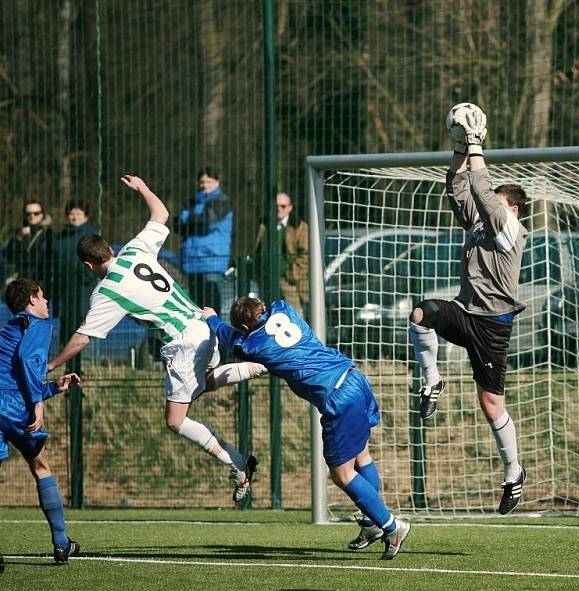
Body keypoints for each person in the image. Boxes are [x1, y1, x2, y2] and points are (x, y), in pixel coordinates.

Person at [48, 175, 265, 503]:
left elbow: (81, 339)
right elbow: (161, 214)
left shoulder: (107, 291)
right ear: (110, 247)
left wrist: (52, 363)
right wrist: (144, 189)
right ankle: (256, 365)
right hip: (202, 325)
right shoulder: (135, 249)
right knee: (203, 382)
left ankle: (238, 463)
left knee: (175, 421)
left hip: (182, 342)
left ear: (89, 264)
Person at [203, 297, 411, 560]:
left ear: (244, 327)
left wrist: (211, 317)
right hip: (354, 378)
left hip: (336, 398)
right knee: (362, 456)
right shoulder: (283, 308)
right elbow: (255, 322)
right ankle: (372, 525)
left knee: (342, 475)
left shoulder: (251, 344)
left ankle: (392, 526)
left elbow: (228, 336)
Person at [409, 103, 529, 515]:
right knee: (421, 314)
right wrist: (460, 147)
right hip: (465, 312)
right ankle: (432, 380)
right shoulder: (482, 223)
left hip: (493, 325)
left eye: (497, 201)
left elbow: (481, 189)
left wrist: (477, 143)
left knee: (491, 404)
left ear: (510, 207)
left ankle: (514, 472)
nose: (489, 204)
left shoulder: (511, 228)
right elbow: (459, 189)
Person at [0, 278, 81, 563]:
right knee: (40, 466)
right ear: (32, 299)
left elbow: (13, 375)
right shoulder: (38, 325)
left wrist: (53, 388)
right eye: (43, 296)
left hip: (5, 401)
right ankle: (61, 542)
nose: (47, 302)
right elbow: (26, 360)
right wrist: (38, 403)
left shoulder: (9, 329)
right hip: (15, 408)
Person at [174, 168, 233, 312]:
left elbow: (206, 222)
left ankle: (214, 335)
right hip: (192, 261)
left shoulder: (221, 201)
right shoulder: (192, 202)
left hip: (211, 261)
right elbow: (177, 225)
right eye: (202, 181)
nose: (205, 185)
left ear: (217, 182)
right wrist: (192, 220)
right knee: (195, 309)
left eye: (209, 181)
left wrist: (188, 219)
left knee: (211, 307)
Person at [51, 203, 99, 346]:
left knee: (81, 327)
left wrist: (87, 277)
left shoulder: (91, 235)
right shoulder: (61, 236)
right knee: (66, 326)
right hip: (65, 288)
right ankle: (69, 365)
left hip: (83, 287)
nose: (74, 217)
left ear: (86, 216)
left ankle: (75, 365)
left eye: (79, 213)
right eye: (72, 213)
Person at [256, 193, 309, 316]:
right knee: (269, 316)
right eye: (276, 206)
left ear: (290, 207)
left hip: (289, 281)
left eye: (283, 206)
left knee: (293, 316)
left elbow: (306, 255)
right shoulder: (264, 225)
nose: (279, 209)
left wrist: (294, 273)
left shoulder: (299, 227)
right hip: (266, 280)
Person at [5, 201, 54, 290]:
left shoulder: (48, 234)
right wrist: (18, 238)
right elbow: (9, 255)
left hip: (40, 280)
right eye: (28, 213)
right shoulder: (19, 232)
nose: (32, 216)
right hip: (21, 280)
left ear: (42, 214)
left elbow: (42, 257)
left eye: (36, 213)